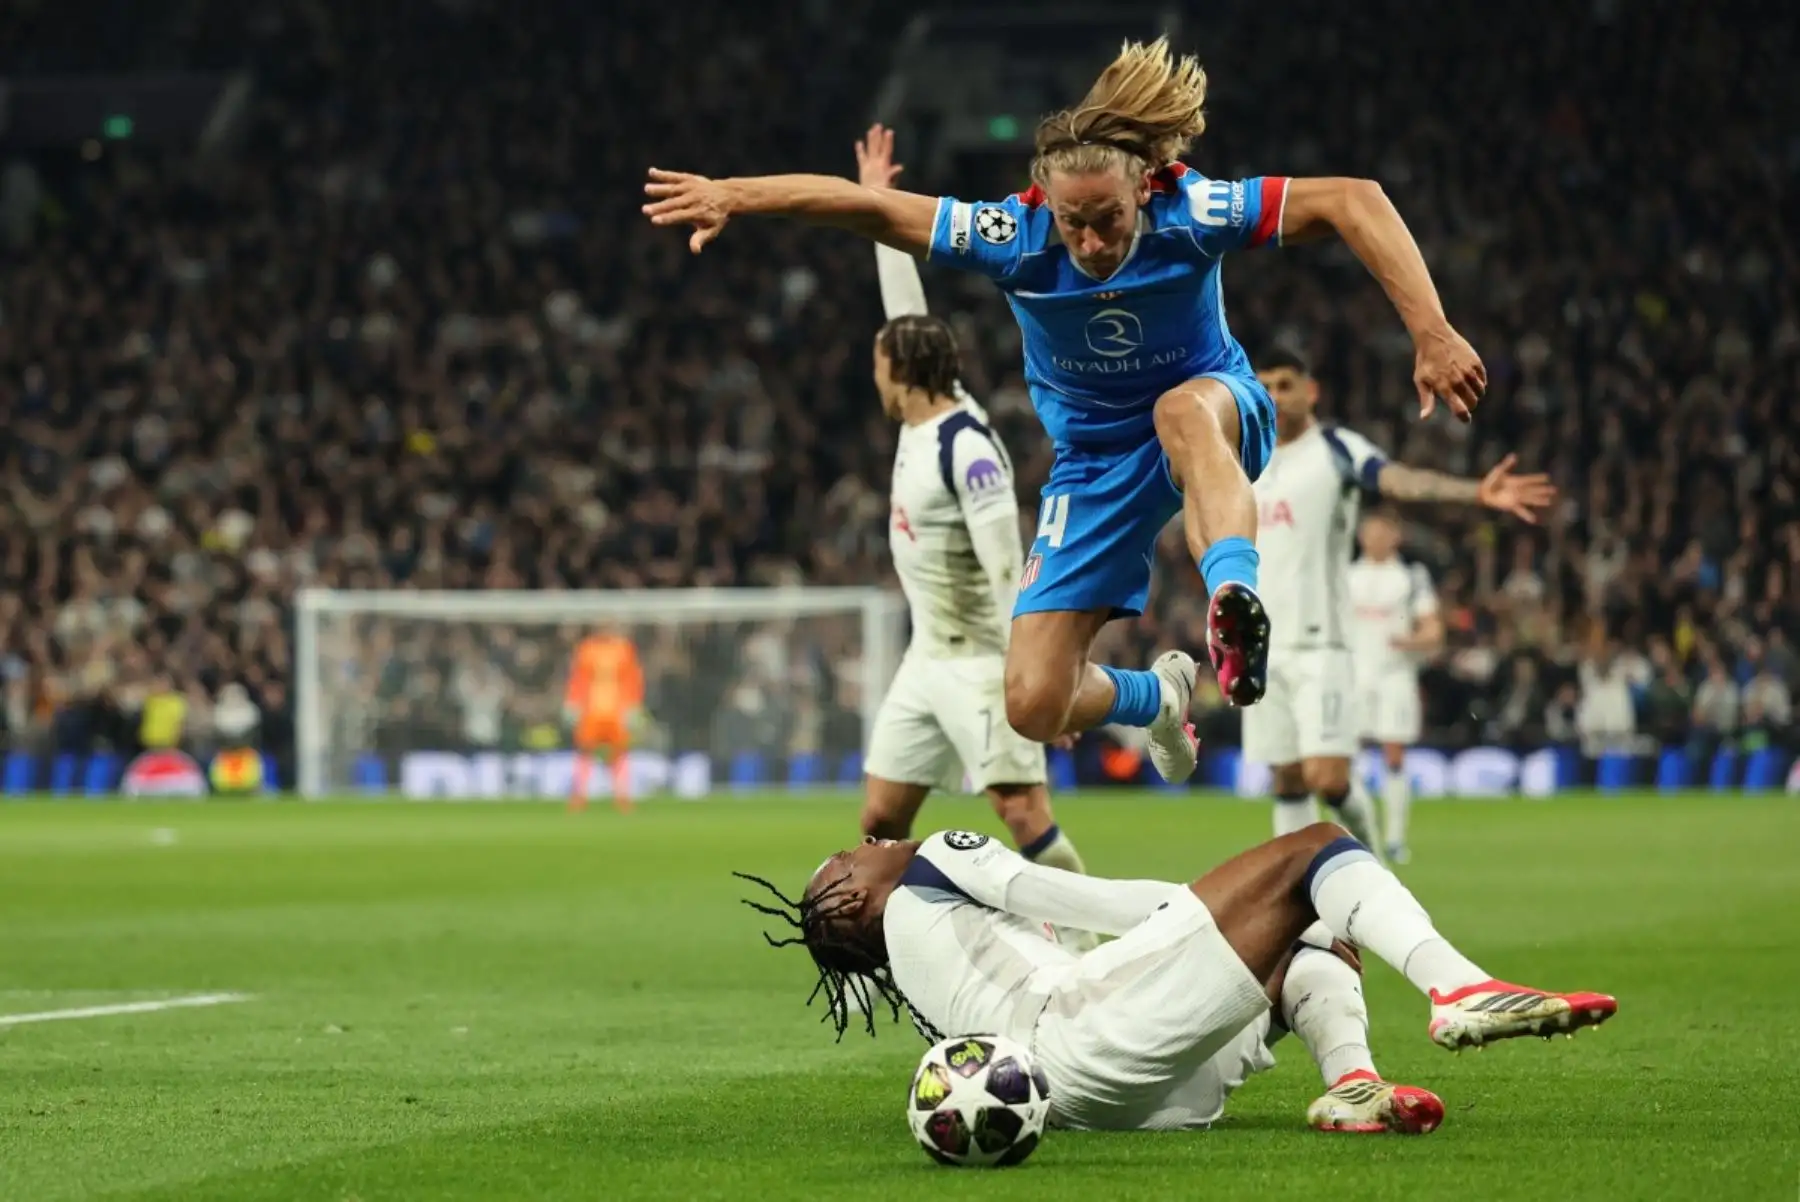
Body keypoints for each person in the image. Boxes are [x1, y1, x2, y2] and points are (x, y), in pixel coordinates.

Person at [644, 37, 1490, 786]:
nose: (1092, 243)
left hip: (1213, 412)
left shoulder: (1192, 211)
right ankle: (1156, 694)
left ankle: (1234, 600)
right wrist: (736, 195)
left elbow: (1355, 199)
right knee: (1032, 703)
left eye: (1109, 220)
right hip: (1091, 464)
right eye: (1075, 224)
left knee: (1180, 411)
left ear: (1143, 192)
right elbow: (867, 208)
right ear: (1046, 204)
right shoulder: (1008, 233)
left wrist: (1433, 330)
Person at [737, 824, 1615, 1134]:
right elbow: (1091, 900)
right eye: (855, 852)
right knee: (1316, 855)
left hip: (1090, 1096)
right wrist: (1207, 904)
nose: (874, 839)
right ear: (849, 896)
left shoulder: (919, 965)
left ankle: (1353, 1087)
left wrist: (1251, 923)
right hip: (1079, 1028)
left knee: (1308, 949)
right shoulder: (931, 864)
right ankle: (1457, 985)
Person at [851, 127, 1092, 949]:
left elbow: (1004, 566)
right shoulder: (922, 413)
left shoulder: (967, 448)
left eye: (880, 363)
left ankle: (1093, 944)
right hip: (926, 658)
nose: (873, 372)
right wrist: (880, 201)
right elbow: (904, 309)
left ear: (901, 372)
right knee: (881, 814)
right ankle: (899, 945)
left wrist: (1034, 674)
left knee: (1022, 810)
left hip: (983, 655)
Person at [1247, 350, 1553, 852]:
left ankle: (1372, 861)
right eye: (1267, 388)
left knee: (1327, 778)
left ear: (1311, 391)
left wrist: (1475, 493)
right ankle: (1299, 907)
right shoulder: (1249, 458)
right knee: (1287, 781)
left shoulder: (1336, 449)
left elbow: (1400, 480)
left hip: (1321, 646)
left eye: (1286, 386)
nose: (1276, 398)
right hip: (1263, 647)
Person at [1348, 509, 1444, 864]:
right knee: (1346, 757)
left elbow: (1433, 629)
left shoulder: (1410, 577)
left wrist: (1412, 641)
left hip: (1394, 677)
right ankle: (1356, 835)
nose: (1375, 537)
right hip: (1353, 676)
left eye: (1383, 530)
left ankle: (1395, 839)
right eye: (1370, 530)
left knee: (1394, 754)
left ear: (1396, 536)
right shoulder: (1346, 576)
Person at [562, 625, 646, 812]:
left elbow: (633, 678)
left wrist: (633, 705)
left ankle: (622, 797)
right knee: (585, 751)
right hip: (591, 711)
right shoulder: (586, 648)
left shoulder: (624, 648)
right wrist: (573, 702)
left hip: (617, 711)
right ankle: (578, 796)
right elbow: (579, 678)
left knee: (619, 752)